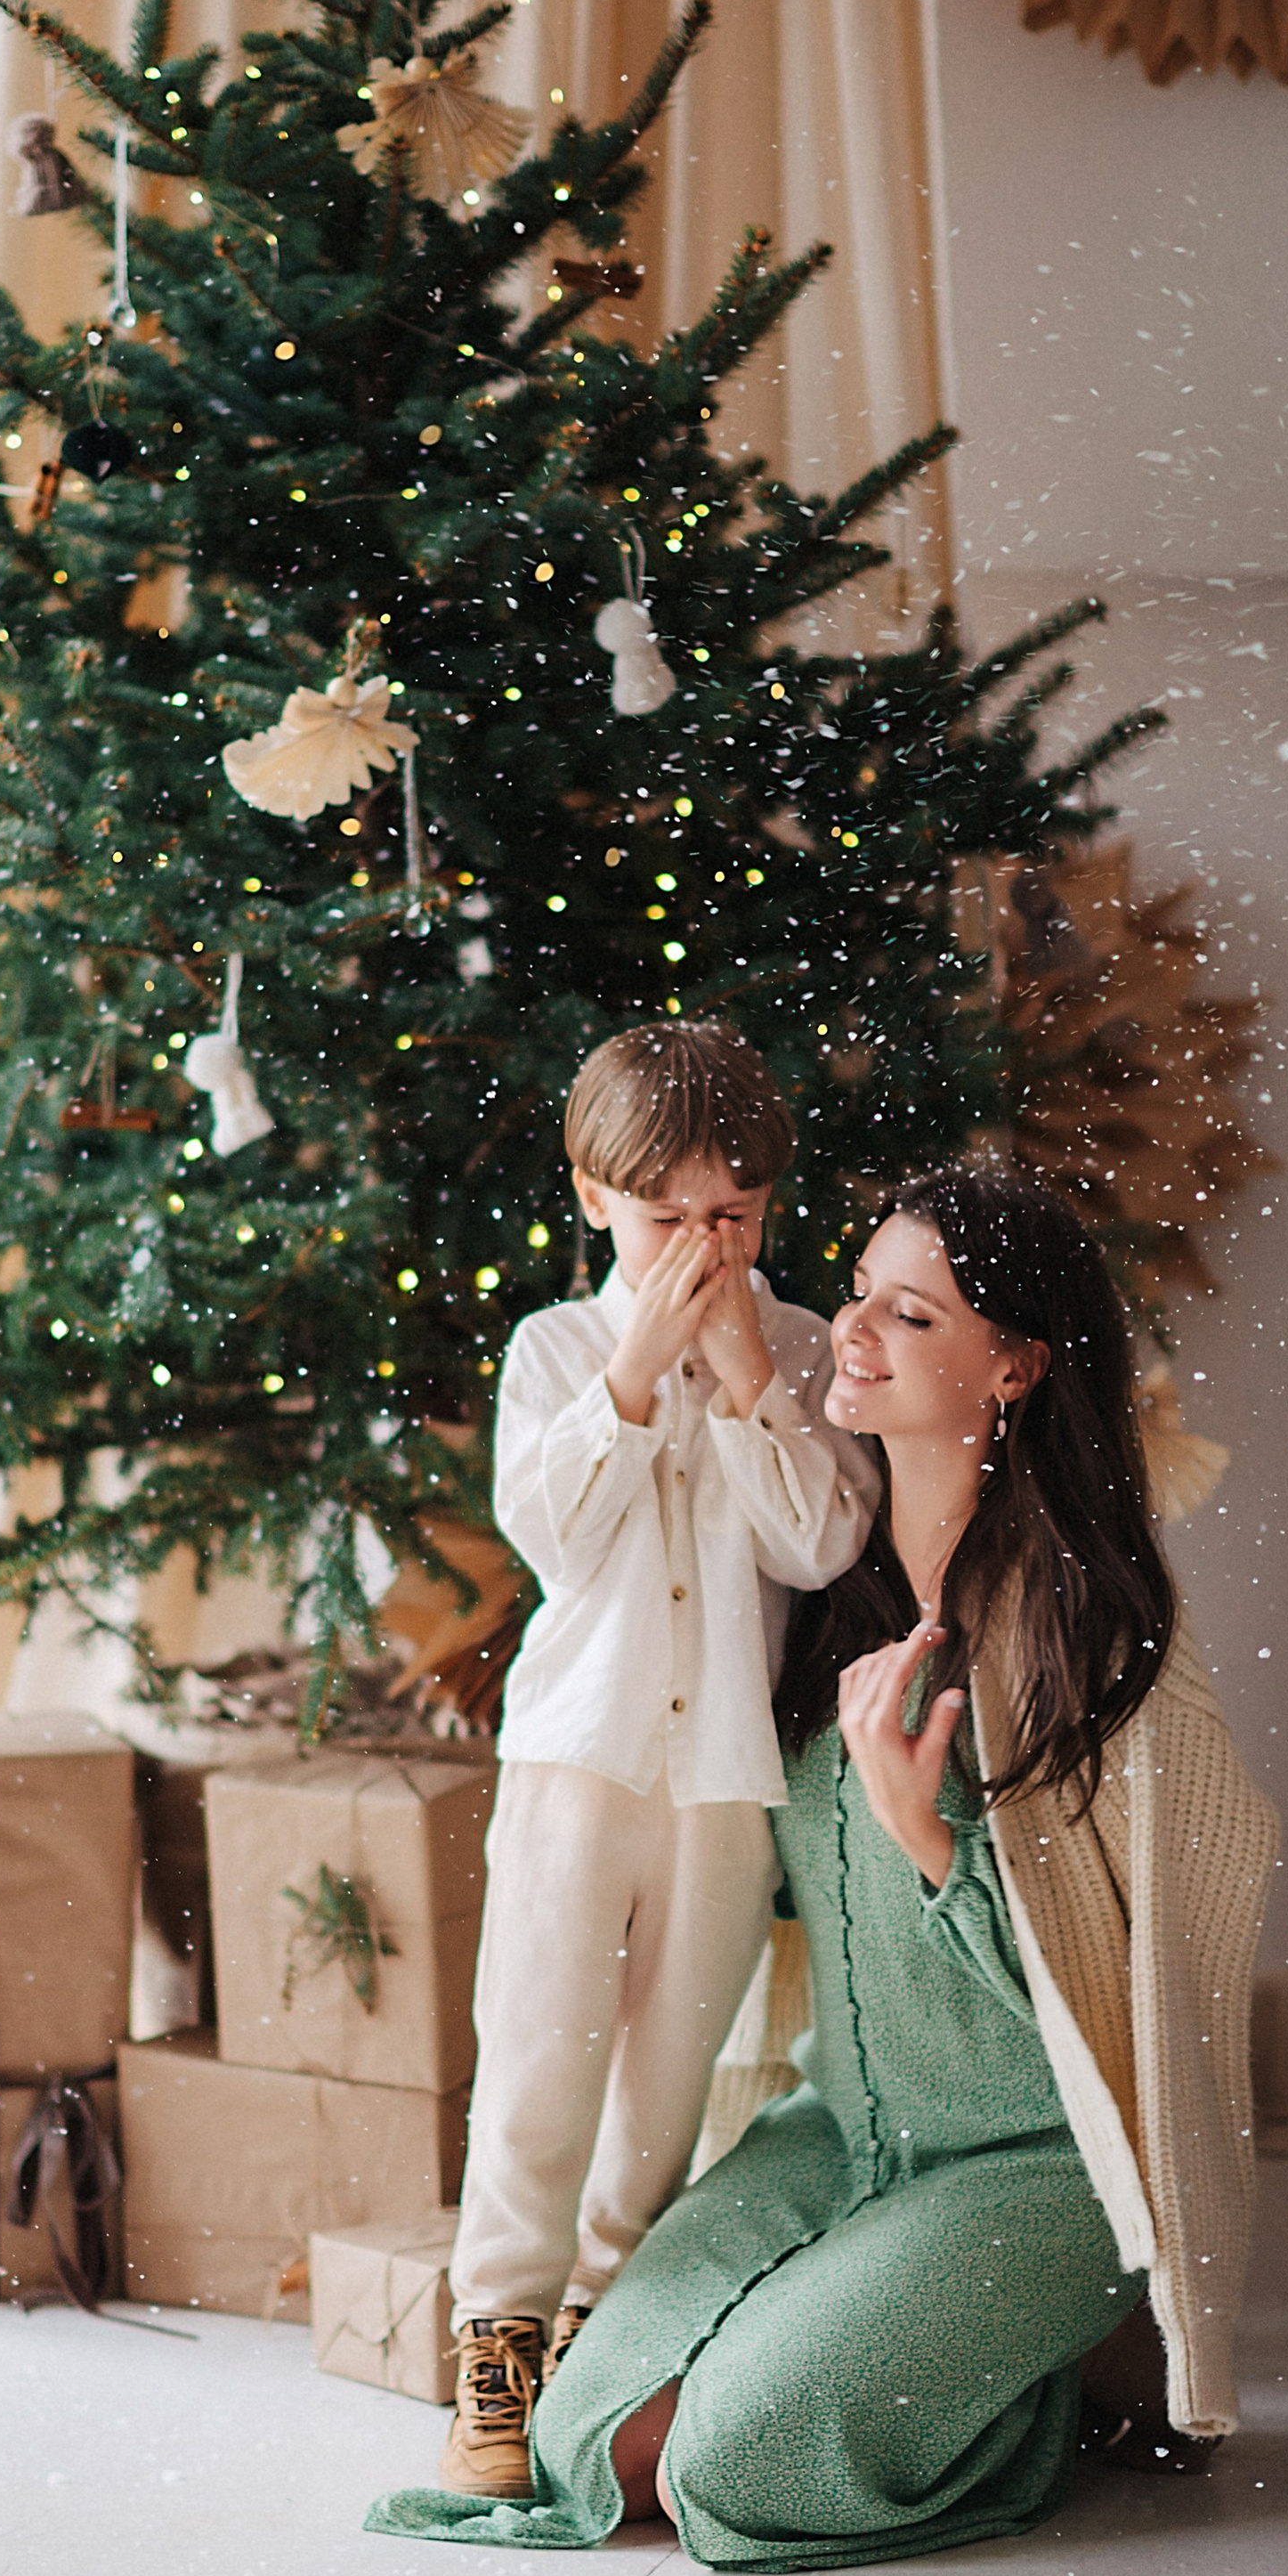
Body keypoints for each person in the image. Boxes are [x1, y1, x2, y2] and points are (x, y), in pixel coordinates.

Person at [369, 1164, 1275, 2567]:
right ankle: (940, 2346)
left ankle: (1057, 2375)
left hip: (1036, 2163)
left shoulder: (1088, 1626)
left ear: (1016, 1364)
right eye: (857, 1293)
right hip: (839, 2126)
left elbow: (1152, 1965)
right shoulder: (814, 1586)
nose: (849, 1329)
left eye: (910, 1315)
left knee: (733, 2463)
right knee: (593, 2440)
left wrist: (933, 1842)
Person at [430, 1019, 876, 2496]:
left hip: (723, 1783)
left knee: (666, 2082)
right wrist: (634, 1370)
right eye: (666, 1213)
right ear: (593, 1196)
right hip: (578, 1764)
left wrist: (748, 1377)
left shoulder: (799, 1348)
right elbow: (553, 1539)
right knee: (539, 2054)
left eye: (732, 1213)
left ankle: (602, 2330)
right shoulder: (556, 1350)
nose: (703, 1244)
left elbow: (821, 1542)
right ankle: (496, 2342)